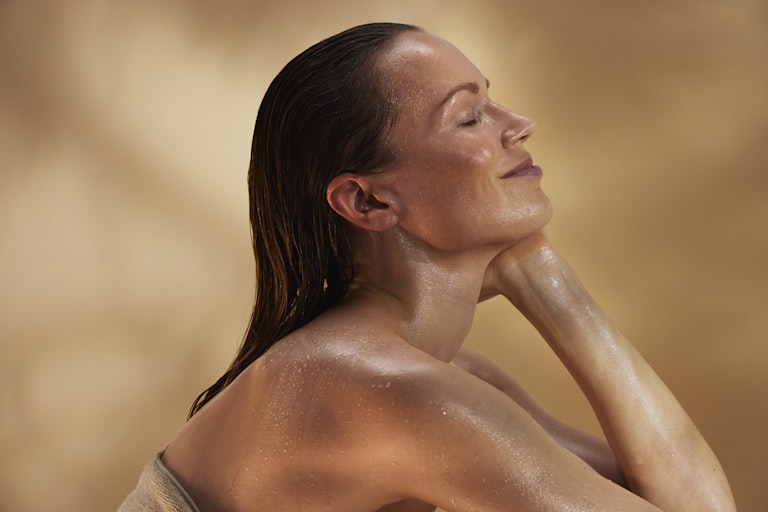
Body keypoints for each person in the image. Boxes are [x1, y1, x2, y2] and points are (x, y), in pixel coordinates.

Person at [118, 22, 737, 511]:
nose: (519, 125)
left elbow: (676, 498)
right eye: (469, 117)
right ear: (369, 200)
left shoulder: (434, 377)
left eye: (492, 102)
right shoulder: (381, 389)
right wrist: (551, 286)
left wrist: (546, 279)